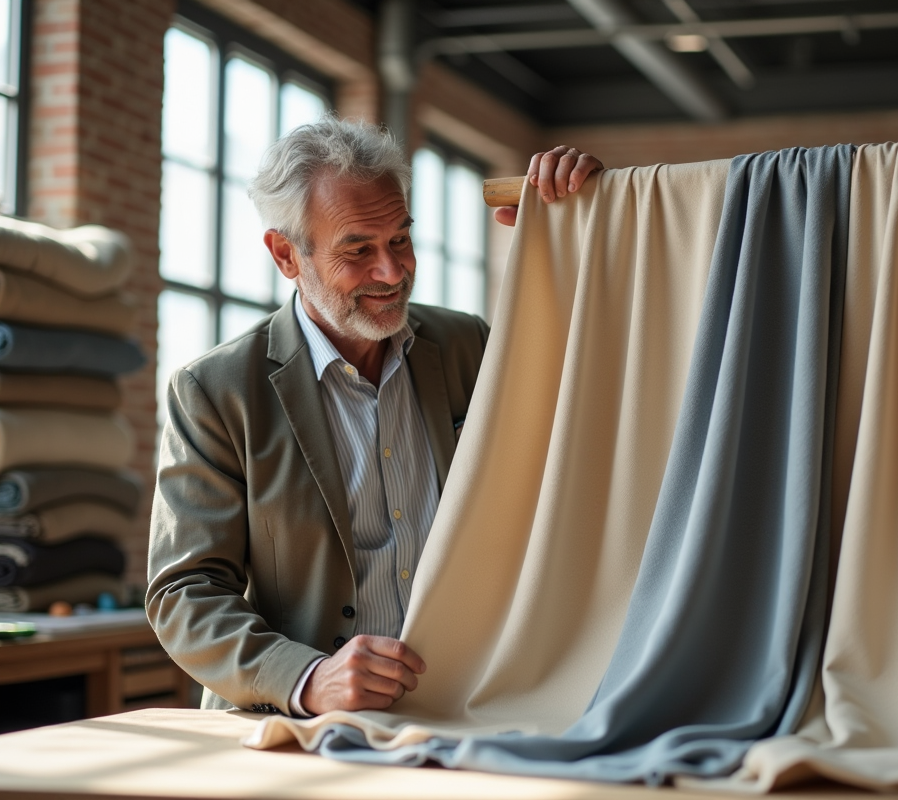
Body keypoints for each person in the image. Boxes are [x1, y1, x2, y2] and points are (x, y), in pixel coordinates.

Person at [146, 117, 602, 716]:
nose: (391, 273)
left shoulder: (471, 346)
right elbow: (184, 591)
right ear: (287, 254)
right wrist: (308, 678)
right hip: (296, 726)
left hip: (470, 706)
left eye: (400, 241)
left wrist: (587, 231)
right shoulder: (215, 391)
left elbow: (588, 426)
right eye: (358, 250)